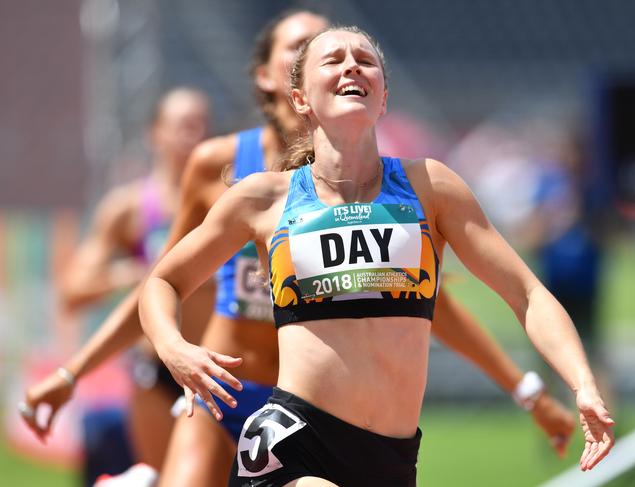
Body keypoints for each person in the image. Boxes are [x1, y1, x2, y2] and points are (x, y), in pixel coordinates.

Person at [20, 12, 576, 487]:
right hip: (229, 391)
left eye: (361, 56)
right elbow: (163, 281)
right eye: (312, 50)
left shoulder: (402, 191)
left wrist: (527, 388)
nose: (347, 64)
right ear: (280, 80)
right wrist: (79, 373)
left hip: (359, 424)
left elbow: (428, 308)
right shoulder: (230, 174)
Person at [23, 87, 213, 476]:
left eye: (199, 126)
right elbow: (73, 292)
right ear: (155, 134)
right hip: (156, 373)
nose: (191, 137)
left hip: (216, 365)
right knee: (167, 479)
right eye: (181, 126)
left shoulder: (222, 202)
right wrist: (135, 274)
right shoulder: (129, 209)